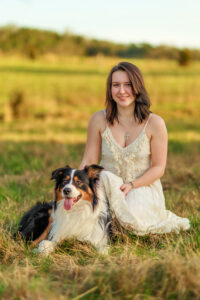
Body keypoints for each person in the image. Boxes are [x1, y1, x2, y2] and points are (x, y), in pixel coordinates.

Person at [79, 62, 190, 235]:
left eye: (128, 84)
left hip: (141, 187)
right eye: (116, 85)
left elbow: (158, 168)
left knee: (132, 221)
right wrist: (76, 185)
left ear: (138, 86)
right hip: (107, 185)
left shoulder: (155, 123)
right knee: (82, 214)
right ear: (110, 89)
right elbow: (89, 160)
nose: (122, 91)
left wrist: (132, 185)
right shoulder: (98, 119)